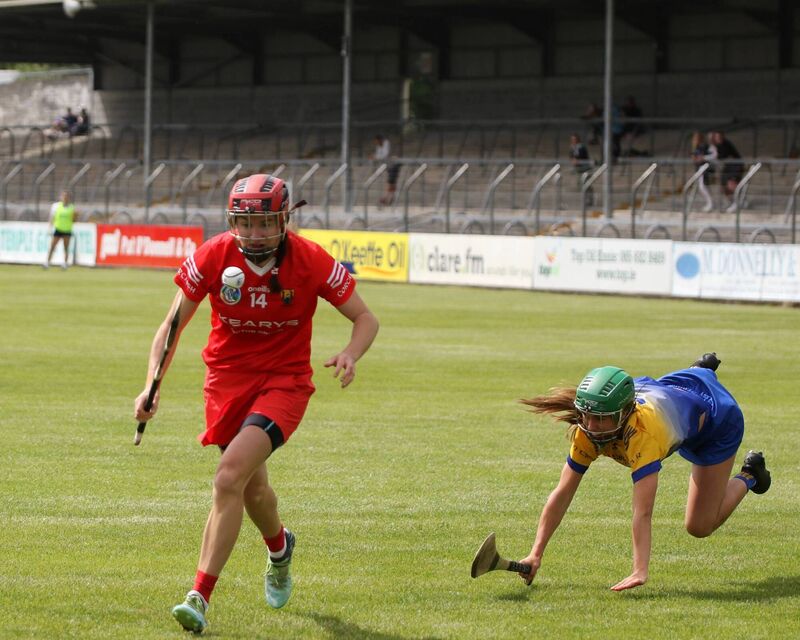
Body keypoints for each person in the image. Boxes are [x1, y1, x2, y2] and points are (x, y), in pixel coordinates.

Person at [133, 174, 379, 633]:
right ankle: (280, 548)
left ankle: (199, 596)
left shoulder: (310, 261)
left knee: (227, 478)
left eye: (265, 223)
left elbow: (366, 317)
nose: (254, 233)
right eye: (245, 223)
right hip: (226, 383)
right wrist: (153, 384)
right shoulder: (214, 254)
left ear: (285, 220)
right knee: (252, 490)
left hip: (283, 385)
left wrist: (350, 352)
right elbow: (171, 326)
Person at [516, 353, 771, 592]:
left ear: (624, 413)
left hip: (715, 421)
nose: (591, 426)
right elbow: (562, 493)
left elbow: (643, 510)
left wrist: (640, 569)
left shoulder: (643, 435)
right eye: (587, 415)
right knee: (675, 399)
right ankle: (699, 371)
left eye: (601, 418)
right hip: (675, 390)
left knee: (700, 526)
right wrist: (535, 553)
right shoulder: (588, 428)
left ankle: (751, 475)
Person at [712, 131, 746, 212]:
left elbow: (722, 156)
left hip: (735, 166)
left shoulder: (725, 144)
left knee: (732, 184)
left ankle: (737, 202)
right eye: (716, 137)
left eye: (719, 137)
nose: (718, 139)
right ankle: (732, 202)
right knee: (723, 186)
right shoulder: (717, 145)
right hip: (728, 167)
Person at [44, 190, 77, 269]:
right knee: (52, 246)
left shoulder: (72, 207)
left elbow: (74, 220)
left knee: (66, 248)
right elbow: (52, 218)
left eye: (66, 196)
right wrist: (50, 227)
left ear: (69, 198)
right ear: (61, 197)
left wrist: (75, 216)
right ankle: (47, 262)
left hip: (67, 230)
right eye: (63, 196)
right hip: (58, 229)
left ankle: (65, 263)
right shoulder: (56, 206)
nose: (65, 198)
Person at [371, 134, 400, 206]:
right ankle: (390, 198)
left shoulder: (386, 143)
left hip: (393, 164)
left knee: (391, 181)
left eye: (377, 141)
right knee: (391, 182)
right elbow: (379, 155)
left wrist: (375, 157)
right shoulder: (379, 146)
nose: (376, 143)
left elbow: (385, 155)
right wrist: (375, 157)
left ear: (379, 140)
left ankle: (387, 198)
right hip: (388, 165)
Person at [690, 131, 715, 212]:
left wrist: (703, 158)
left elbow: (713, 155)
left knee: (702, 186)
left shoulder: (704, 146)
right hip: (699, 169)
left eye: (696, 138)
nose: (695, 140)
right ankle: (710, 203)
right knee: (702, 186)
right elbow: (695, 158)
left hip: (704, 168)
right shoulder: (696, 147)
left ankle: (710, 203)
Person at [568, 133, 594, 206]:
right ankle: (586, 198)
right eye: (572, 140)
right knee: (580, 184)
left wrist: (577, 160)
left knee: (586, 183)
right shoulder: (572, 148)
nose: (573, 141)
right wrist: (573, 160)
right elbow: (571, 156)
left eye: (574, 140)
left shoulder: (581, 147)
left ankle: (589, 199)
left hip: (585, 168)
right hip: (578, 169)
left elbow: (583, 156)